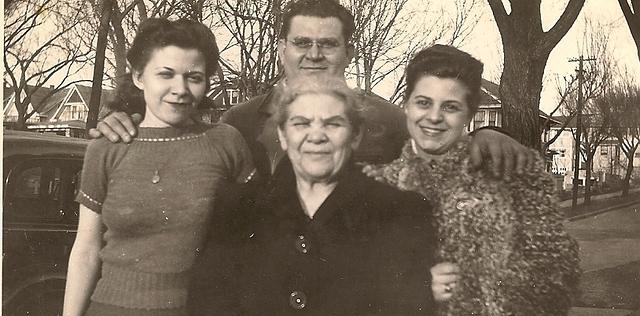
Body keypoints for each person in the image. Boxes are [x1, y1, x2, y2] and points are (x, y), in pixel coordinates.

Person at [91, 0, 534, 181]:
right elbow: (175, 138)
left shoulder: (385, 121)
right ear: (282, 48)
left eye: (328, 44)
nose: (315, 54)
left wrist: (481, 136)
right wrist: (125, 116)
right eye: (303, 42)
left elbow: (436, 151)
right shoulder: (239, 122)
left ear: (348, 49)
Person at [363, 45, 581, 316]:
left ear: (469, 113)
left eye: (450, 106)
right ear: (406, 105)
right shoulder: (373, 187)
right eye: (423, 103)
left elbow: (556, 277)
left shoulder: (515, 174)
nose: (434, 117)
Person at [56, 18, 255, 316]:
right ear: (138, 77)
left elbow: (258, 236)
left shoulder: (226, 143)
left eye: (193, 77)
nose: (180, 89)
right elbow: (85, 251)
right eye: (165, 74)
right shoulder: (107, 148)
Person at [224, 77, 437, 316]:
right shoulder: (239, 209)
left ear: (355, 135)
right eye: (301, 123)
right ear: (283, 136)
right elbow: (213, 306)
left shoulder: (399, 213)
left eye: (333, 124)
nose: (316, 136)